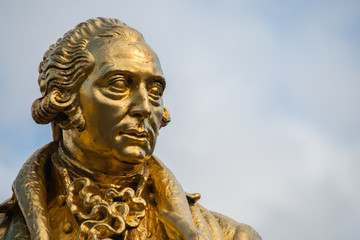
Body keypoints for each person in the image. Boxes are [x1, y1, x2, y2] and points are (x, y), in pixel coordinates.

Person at [0, 17, 262, 240]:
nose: (145, 108)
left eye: (155, 90)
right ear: (66, 100)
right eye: (118, 84)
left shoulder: (229, 236)